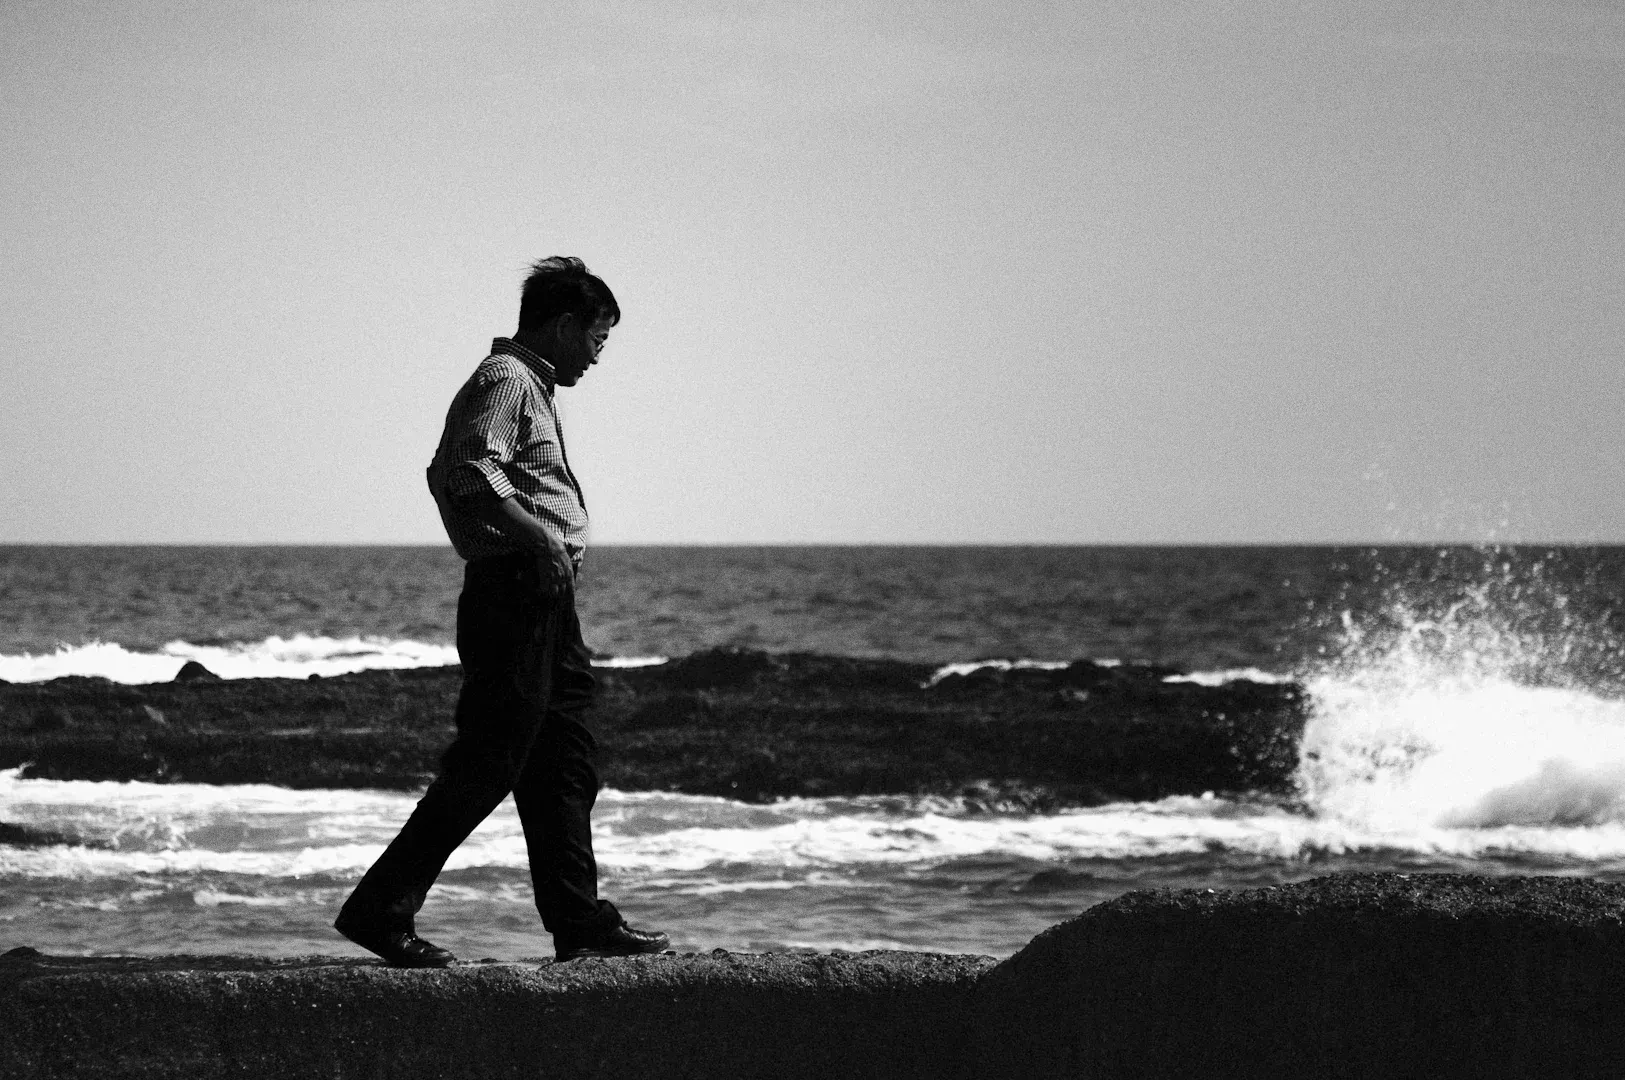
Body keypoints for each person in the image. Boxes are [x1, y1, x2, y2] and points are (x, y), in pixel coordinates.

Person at [335, 256, 669, 967]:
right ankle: (378, 909)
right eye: (598, 337)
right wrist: (535, 538)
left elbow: (443, 472)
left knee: (563, 764)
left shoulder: (529, 388)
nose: (599, 355)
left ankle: (579, 921)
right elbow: (465, 473)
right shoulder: (507, 381)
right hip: (516, 591)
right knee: (489, 761)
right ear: (563, 324)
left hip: (542, 596)